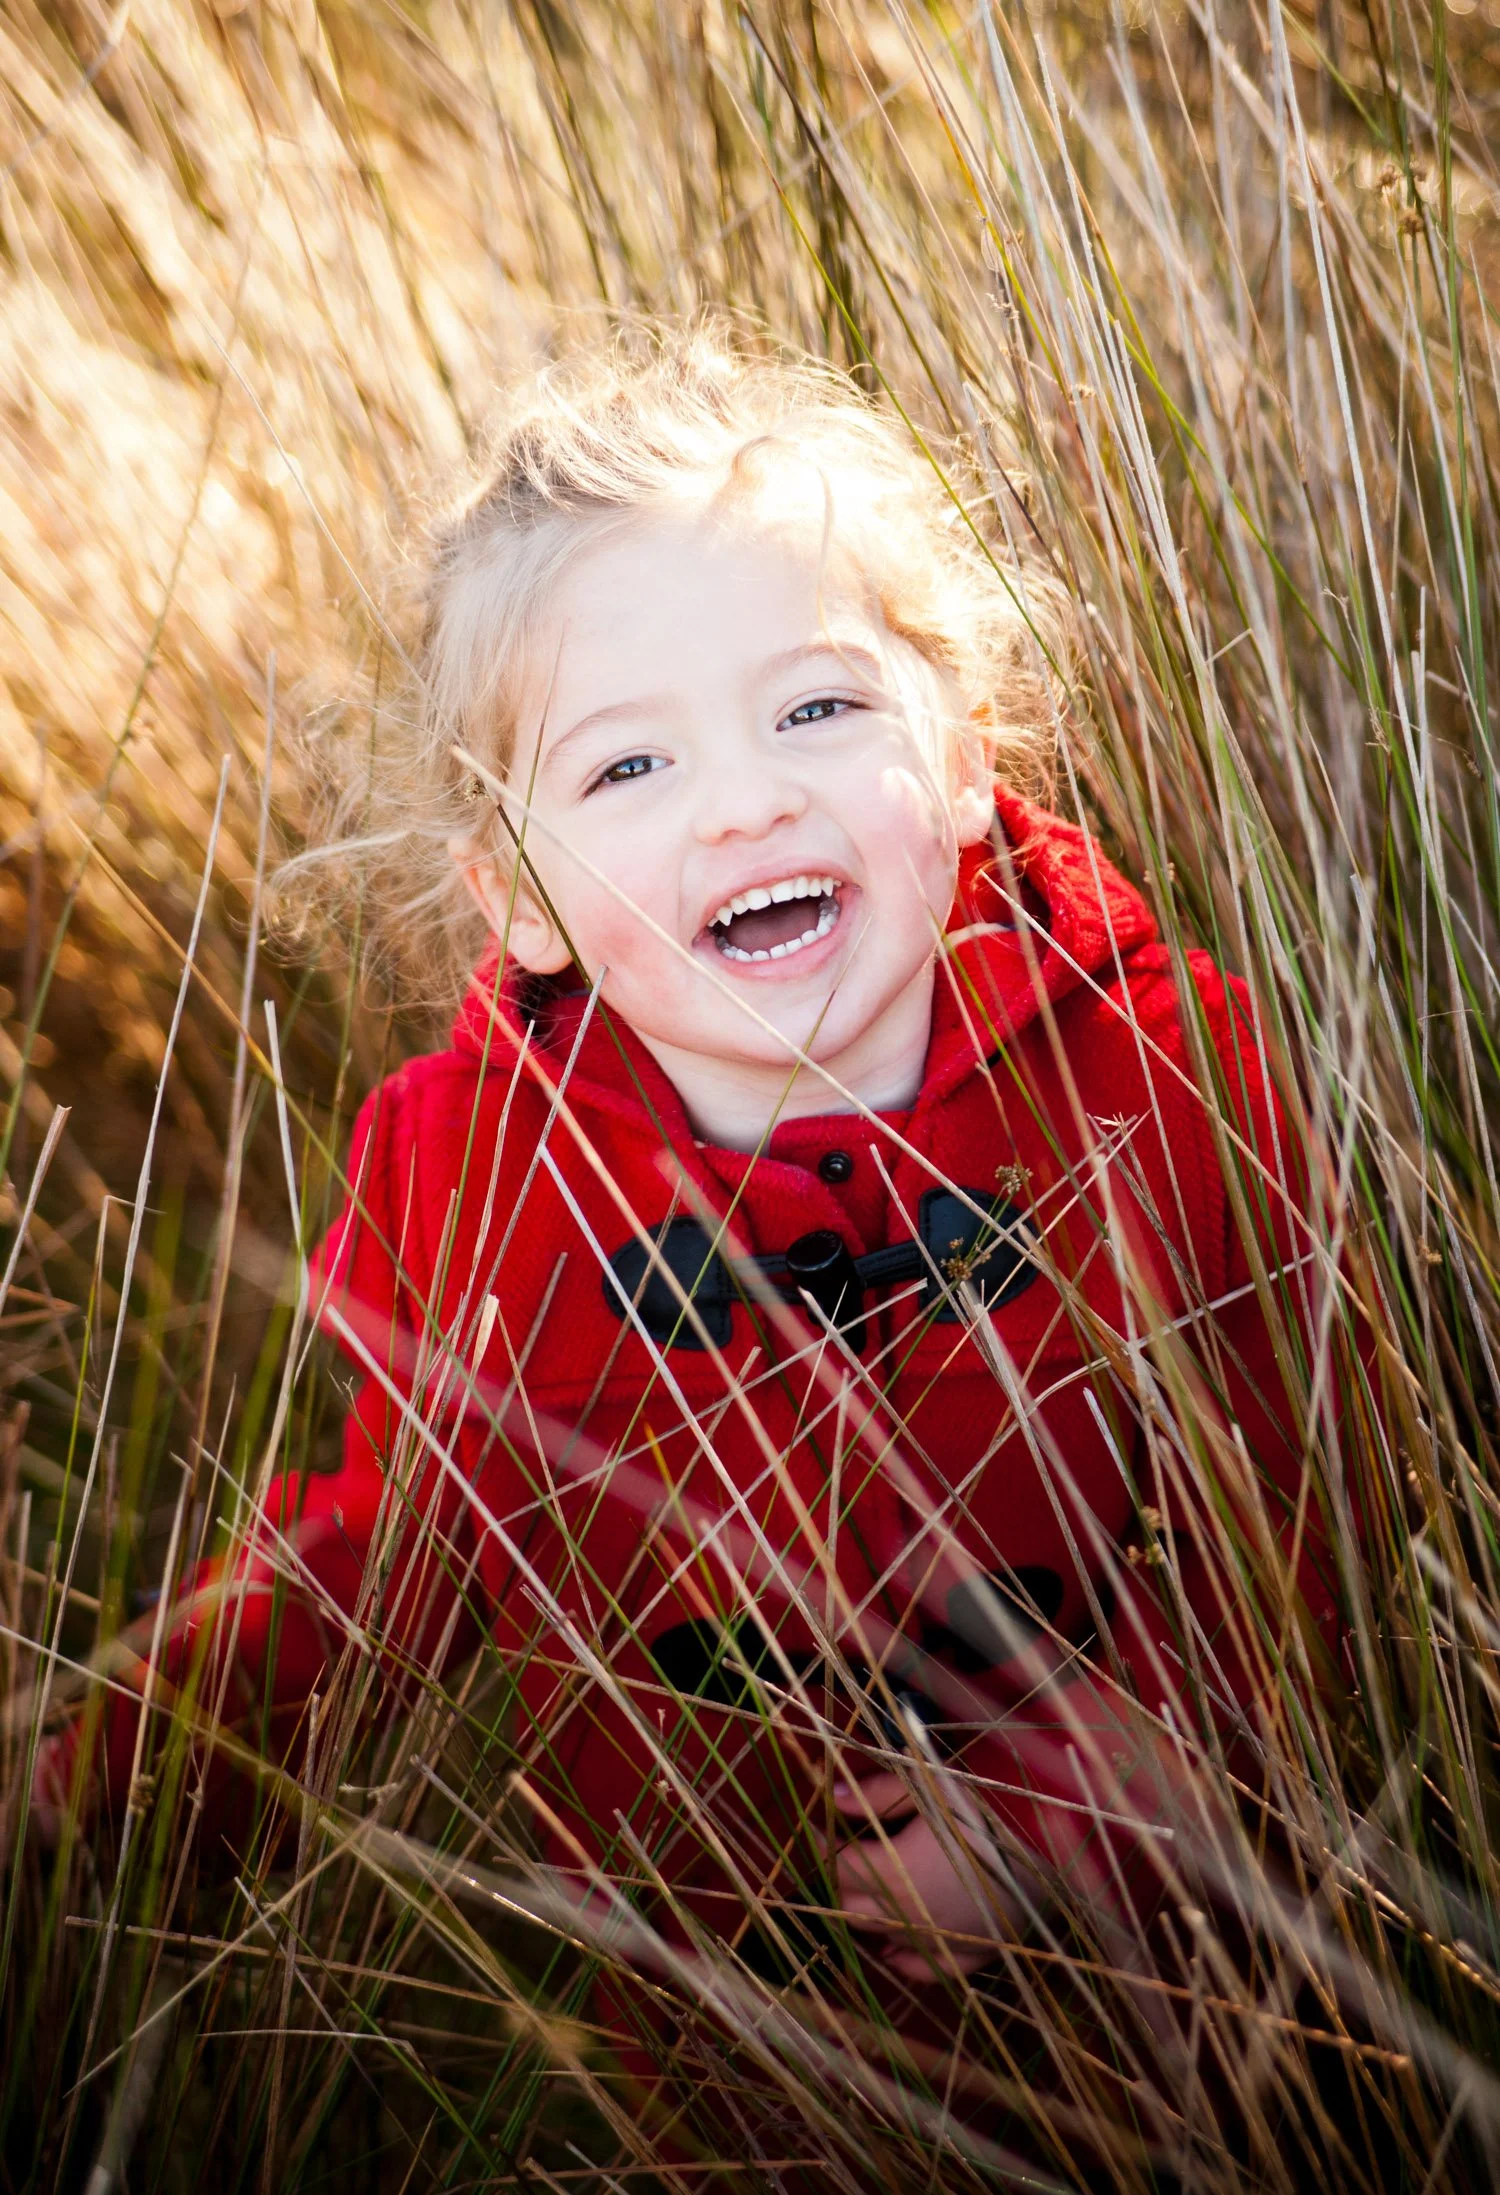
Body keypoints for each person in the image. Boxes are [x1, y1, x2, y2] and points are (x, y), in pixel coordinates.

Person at [39, 322, 1361, 2016]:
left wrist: (1070, 1812)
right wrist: (90, 1805)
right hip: (738, 2069)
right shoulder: (480, 1181)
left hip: (1193, 2009)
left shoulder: (1163, 1074)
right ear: (514, 893)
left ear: (960, 762)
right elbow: (391, 1552)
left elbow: (1317, 1486)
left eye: (818, 706)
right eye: (629, 765)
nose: (744, 801)